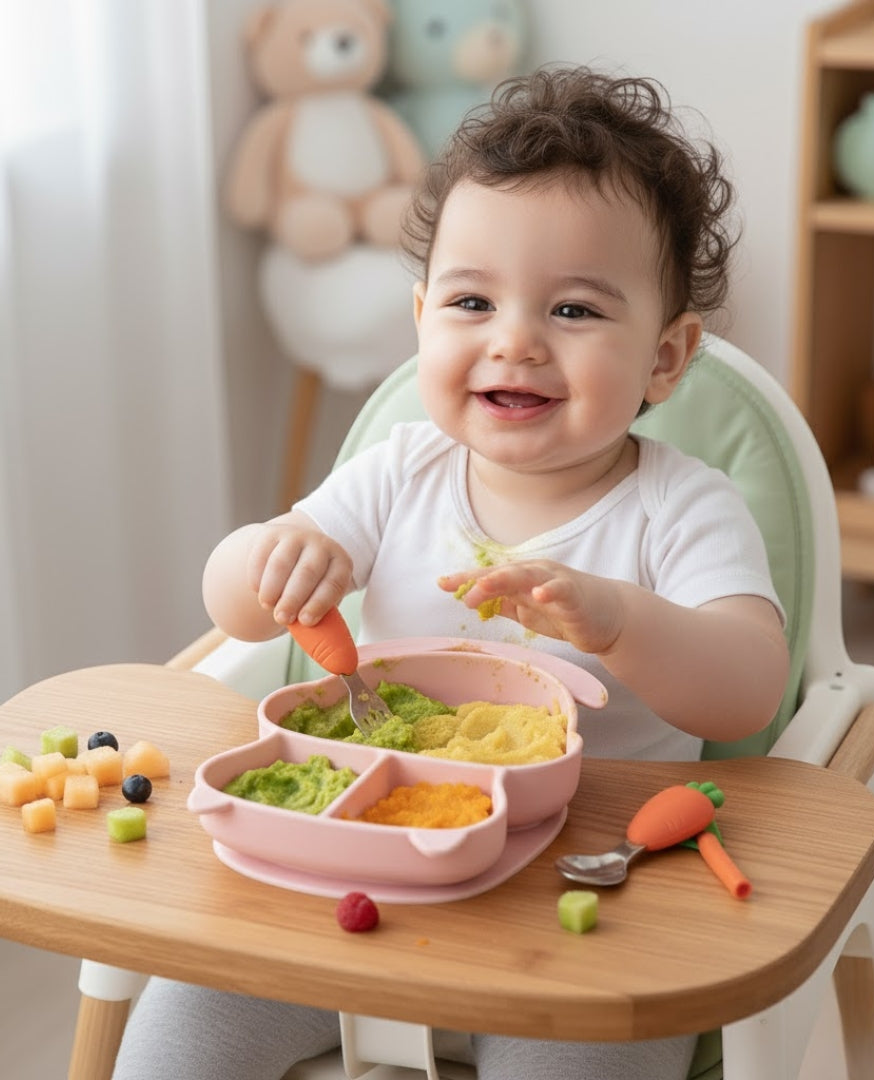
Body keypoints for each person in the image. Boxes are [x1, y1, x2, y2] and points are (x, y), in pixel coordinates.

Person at [113, 65, 790, 1080]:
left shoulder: (682, 507)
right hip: (368, 860)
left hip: (593, 891)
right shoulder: (395, 476)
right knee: (177, 1027)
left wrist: (620, 622)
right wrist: (269, 559)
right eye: (473, 301)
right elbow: (233, 613)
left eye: (573, 311)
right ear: (424, 315)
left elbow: (748, 688)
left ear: (665, 357)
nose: (513, 339)